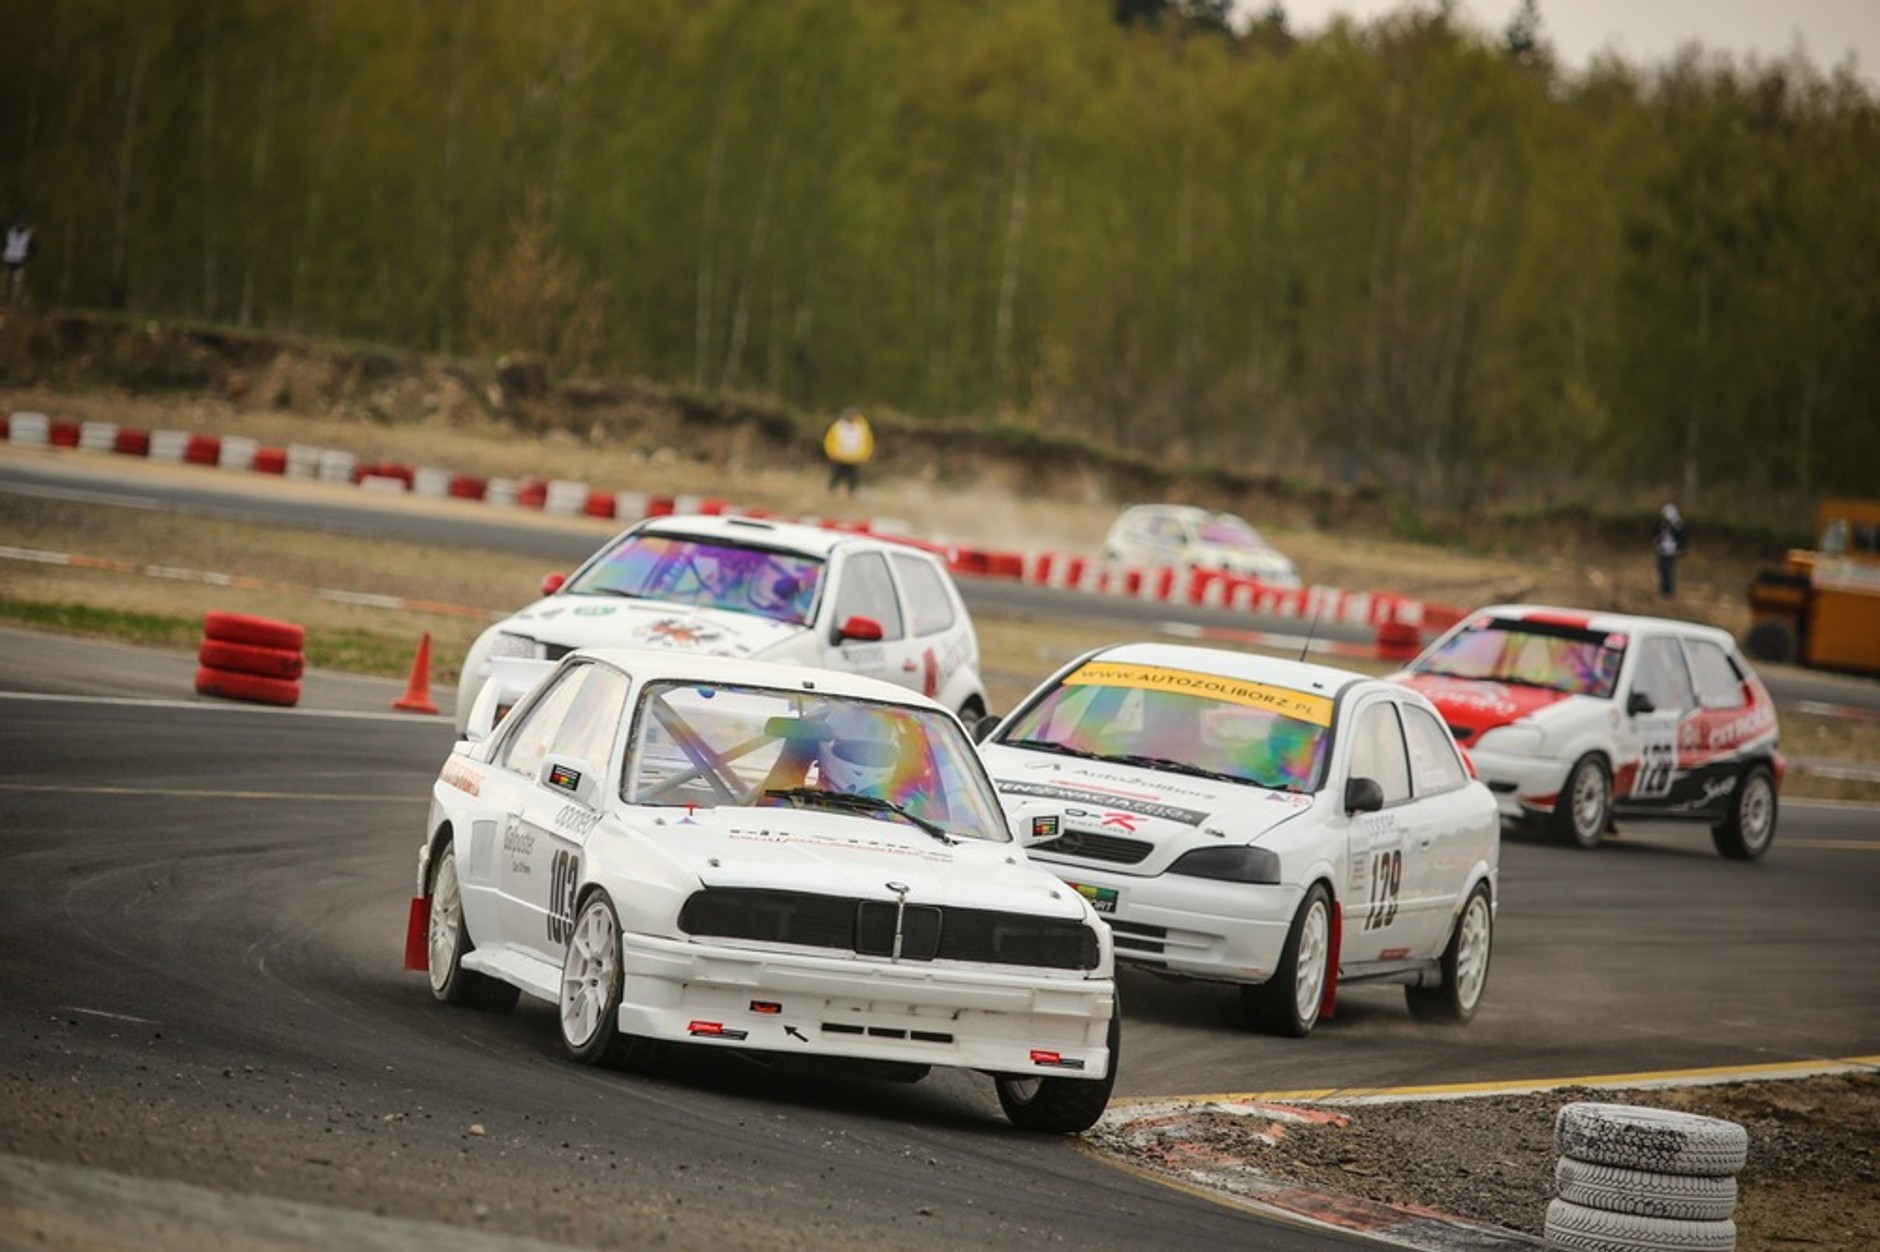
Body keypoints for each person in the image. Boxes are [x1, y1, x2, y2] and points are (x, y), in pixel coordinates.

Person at [822, 406, 874, 497]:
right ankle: (832, 492)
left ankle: (853, 494)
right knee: (836, 475)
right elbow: (829, 441)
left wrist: (865, 455)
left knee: (853, 477)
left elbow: (867, 442)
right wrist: (831, 453)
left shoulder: (862, 427)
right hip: (839, 456)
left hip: (855, 458)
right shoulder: (837, 426)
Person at [1654, 502, 1686, 597]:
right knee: (1661, 568)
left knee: (1668, 570)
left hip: (1671, 550)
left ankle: (1668, 592)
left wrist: (1680, 548)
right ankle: (1663, 590)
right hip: (1663, 549)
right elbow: (1660, 534)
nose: (1663, 516)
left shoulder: (1677, 524)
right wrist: (1657, 541)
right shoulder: (1663, 524)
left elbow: (1681, 537)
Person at [2, 218, 35, 306]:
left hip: (20, 262)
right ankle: (4, 299)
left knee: (17, 282)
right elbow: (4, 243)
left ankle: (14, 301)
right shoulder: (10, 233)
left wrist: (28, 257)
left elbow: (34, 248)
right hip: (8, 260)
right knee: (5, 280)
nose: (20, 227)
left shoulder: (29, 235)